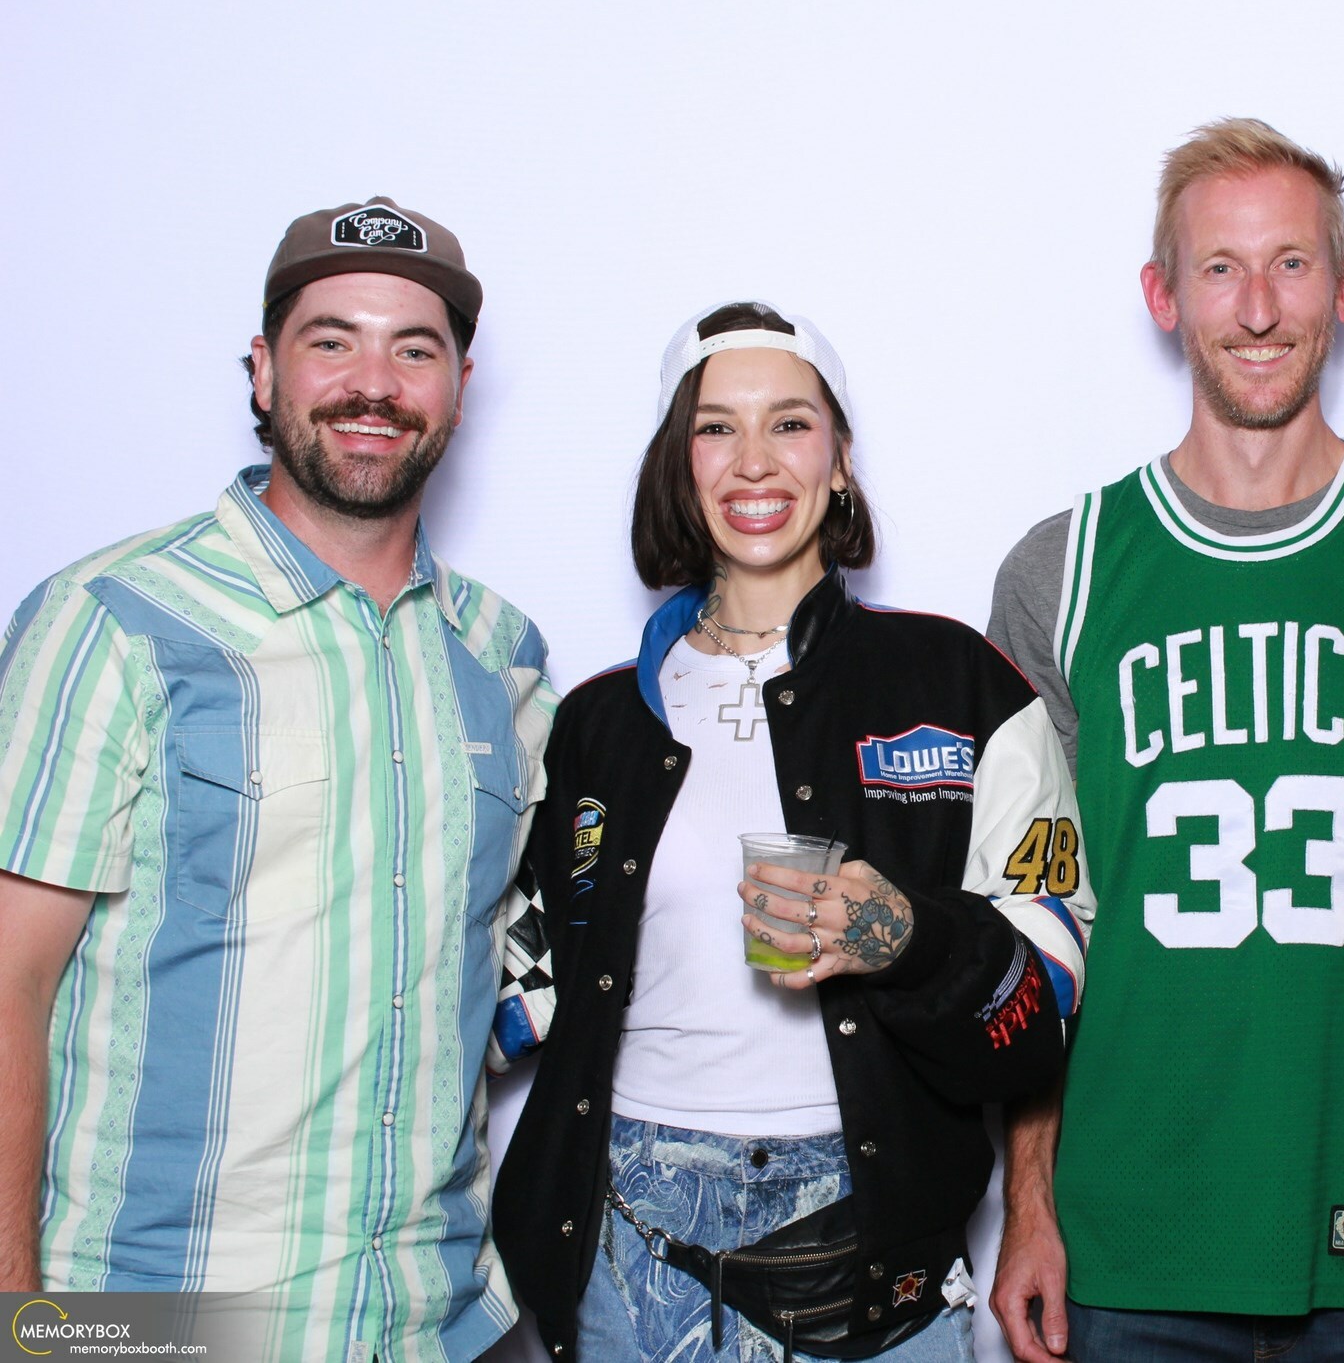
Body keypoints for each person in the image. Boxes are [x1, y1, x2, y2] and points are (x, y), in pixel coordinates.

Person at [986, 119, 1344, 1363]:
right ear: (1163, 296)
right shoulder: (1061, 571)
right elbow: (1038, 916)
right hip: (1126, 1233)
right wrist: (1027, 1200)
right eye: (1220, 268)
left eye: (1290, 264)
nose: (1255, 308)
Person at [0, 197, 554, 1361]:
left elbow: (503, 953)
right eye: (331, 341)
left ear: (458, 388)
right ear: (263, 371)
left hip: (437, 1320)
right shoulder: (112, 620)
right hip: (158, 1324)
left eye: (414, 350)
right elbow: (9, 982)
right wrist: (18, 1319)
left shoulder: (501, 655)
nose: (374, 383)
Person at [491, 302, 1092, 1363]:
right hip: (628, 1236)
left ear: (840, 458)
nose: (754, 460)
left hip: (869, 1245)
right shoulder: (593, 721)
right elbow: (512, 985)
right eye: (715, 427)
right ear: (678, 466)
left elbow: (1049, 993)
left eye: (790, 423)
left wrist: (906, 938)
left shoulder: (961, 685)